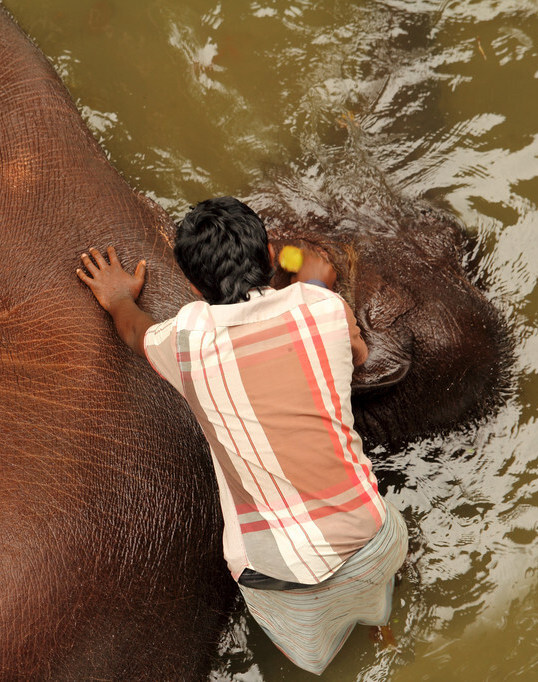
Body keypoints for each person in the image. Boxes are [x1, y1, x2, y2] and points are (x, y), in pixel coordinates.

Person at [76, 196, 407, 675]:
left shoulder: (185, 340)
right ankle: (382, 626)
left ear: (191, 284)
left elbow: (134, 332)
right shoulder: (325, 308)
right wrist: (313, 284)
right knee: (375, 595)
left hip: (284, 579)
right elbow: (355, 354)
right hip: (375, 541)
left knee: (313, 657)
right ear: (270, 255)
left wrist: (120, 297)